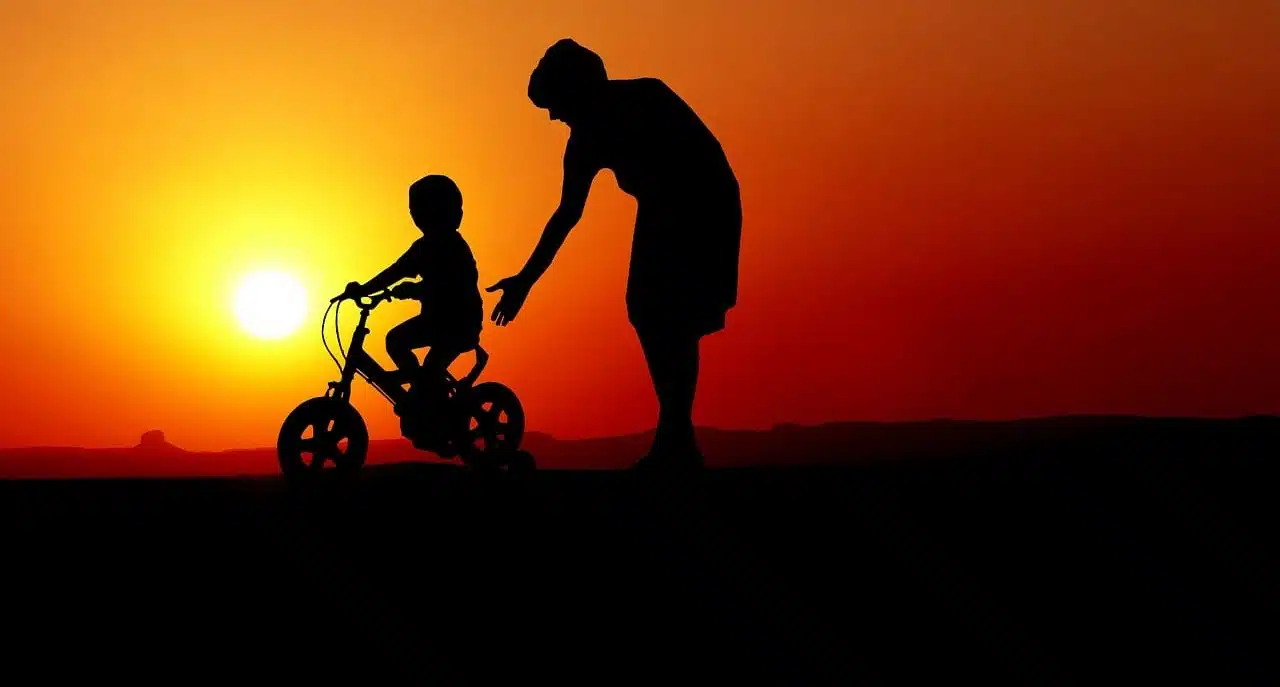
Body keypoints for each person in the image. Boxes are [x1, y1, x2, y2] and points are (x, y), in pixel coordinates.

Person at [487, 38, 743, 472]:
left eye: (554, 103)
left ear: (576, 88)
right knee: (653, 313)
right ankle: (677, 436)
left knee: (663, 314)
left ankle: (676, 439)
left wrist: (525, 281)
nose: (553, 116)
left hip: (701, 202)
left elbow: (698, 161)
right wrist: (524, 281)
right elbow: (566, 214)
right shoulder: (586, 139)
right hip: (667, 208)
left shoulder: (645, 97)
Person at [337, 174, 484, 415]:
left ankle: (431, 406)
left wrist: (415, 290)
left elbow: (452, 285)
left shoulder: (453, 247)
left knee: (431, 368)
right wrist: (363, 289)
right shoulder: (422, 248)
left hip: (459, 324)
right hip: (434, 322)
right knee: (395, 340)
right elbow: (394, 272)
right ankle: (420, 391)